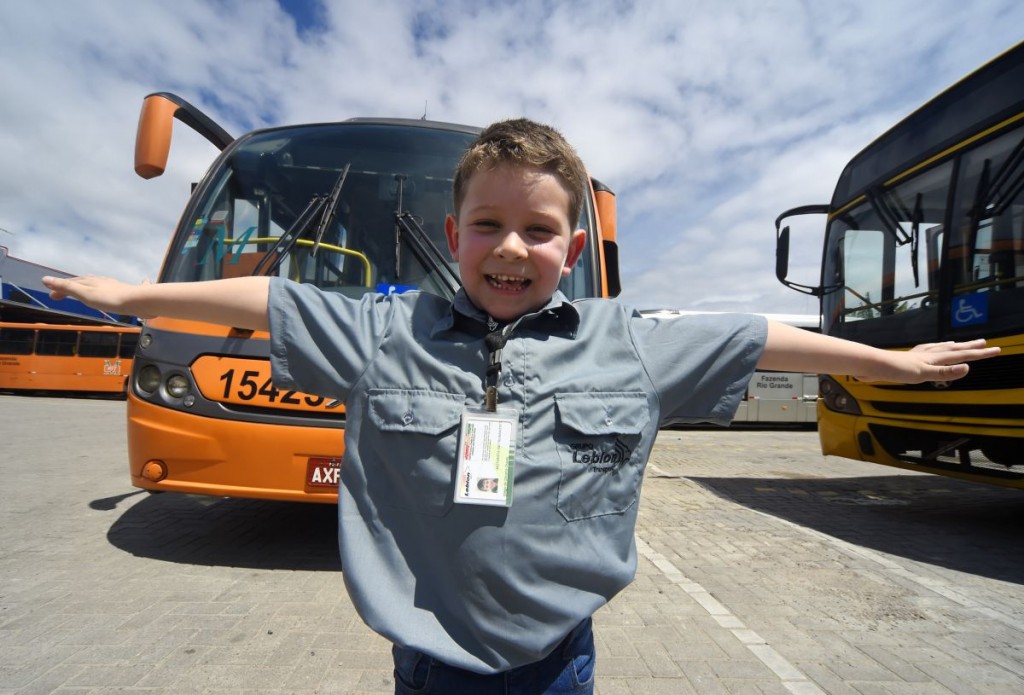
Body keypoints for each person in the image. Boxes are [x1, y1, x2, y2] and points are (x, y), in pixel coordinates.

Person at [43, 118, 999, 694]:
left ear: (572, 250)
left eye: (538, 229)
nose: (511, 247)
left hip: (557, 661)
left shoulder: (625, 341)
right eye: (489, 225)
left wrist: (896, 364)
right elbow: (270, 301)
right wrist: (136, 299)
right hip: (427, 662)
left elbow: (756, 335)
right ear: (453, 234)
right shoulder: (387, 334)